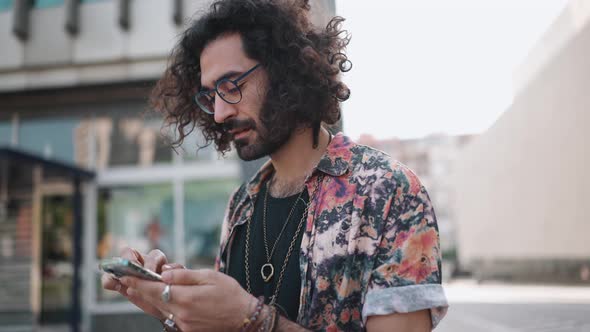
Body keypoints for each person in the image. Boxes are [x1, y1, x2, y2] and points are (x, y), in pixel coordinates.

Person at [101, 0, 449, 331]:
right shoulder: (242, 205)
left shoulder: (387, 191)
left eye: (232, 85)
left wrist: (255, 322)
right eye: (211, 96)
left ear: (287, 72)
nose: (220, 113)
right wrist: (171, 310)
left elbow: (244, 322)